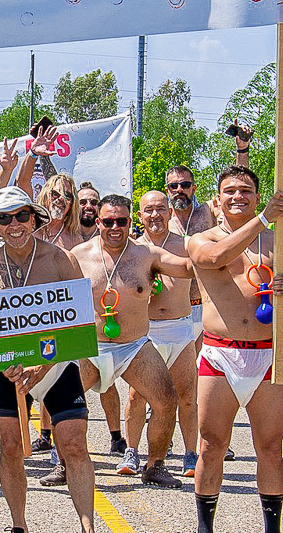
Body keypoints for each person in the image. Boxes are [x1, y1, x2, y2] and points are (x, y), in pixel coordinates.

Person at [0, 187, 108, 533]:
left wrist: (43, 365)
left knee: (74, 445)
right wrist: (1, 362)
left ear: (33, 219)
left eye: (21, 216)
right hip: (11, 372)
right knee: (10, 447)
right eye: (4, 218)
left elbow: (81, 321)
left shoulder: (60, 260)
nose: (14, 225)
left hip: (56, 364)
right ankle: (19, 529)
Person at [182, 166, 283, 533]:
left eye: (246, 190)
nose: (238, 196)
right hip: (219, 353)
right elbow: (216, 257)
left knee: (270, 446)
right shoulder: (201, 239)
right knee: (211, 444)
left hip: (268, 353)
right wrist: (264, 219)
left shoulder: (282, 242)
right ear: (217, 200)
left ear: (257, 195)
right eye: (230, 191)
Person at [71, 194, 194, 489]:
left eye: (121, 221)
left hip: (134, 346)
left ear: (130, 222)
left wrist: (224, 249)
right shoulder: (77, 256)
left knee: (166, 401)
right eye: (108, 221)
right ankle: (65, 464)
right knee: (62, 402)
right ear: (98, 222)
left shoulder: (146, 254)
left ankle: (155, 465)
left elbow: (188, 267)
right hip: (90, 345)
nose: (115, 227)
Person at [126, 190, 201, 476]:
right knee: (137, 397)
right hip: (145, 331)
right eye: (149, 210)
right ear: (140, 215)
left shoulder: (186, 245)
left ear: (170, 212)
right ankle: (131, 452)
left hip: (180, 327)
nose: (155, 215)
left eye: (160, 209)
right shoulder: (132, 249)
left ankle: (190, 454)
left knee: (187, 396)